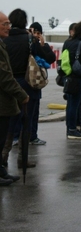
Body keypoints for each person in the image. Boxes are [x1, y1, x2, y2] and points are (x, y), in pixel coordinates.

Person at [2, 9, 55, 169]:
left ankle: (3, 158)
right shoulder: (29, 39)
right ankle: (22, 160)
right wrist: (42, 43)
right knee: (27, 122)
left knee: (9, 123)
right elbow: (50, 58)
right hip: (28, 84)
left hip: (9, 85)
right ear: (25, 22)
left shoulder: (4, 39)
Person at [0, 11, 29, 185]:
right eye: (5, 24)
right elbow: (4, 76)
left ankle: (1, 170)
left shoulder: (3, 43)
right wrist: (22, 94)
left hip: (5, 100)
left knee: (3, 137)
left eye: (9, 24)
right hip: (2, 101)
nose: (8, 27)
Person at [63, 21, 81, 139]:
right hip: (77, 77)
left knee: (70, 104)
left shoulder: (67, 42)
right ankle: (72, 130)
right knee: (75, 104)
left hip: (68, 76)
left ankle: (69, 127)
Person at [28, 22, 55, 145]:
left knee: (34, 110)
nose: (37, 36)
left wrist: (43, 45)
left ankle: (33, 135)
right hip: (27, 79)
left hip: (36, 80)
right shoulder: (27, 43)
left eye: (39, 33)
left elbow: (51, 58)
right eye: (35, 33)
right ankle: (24, 136)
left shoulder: (42, 45)